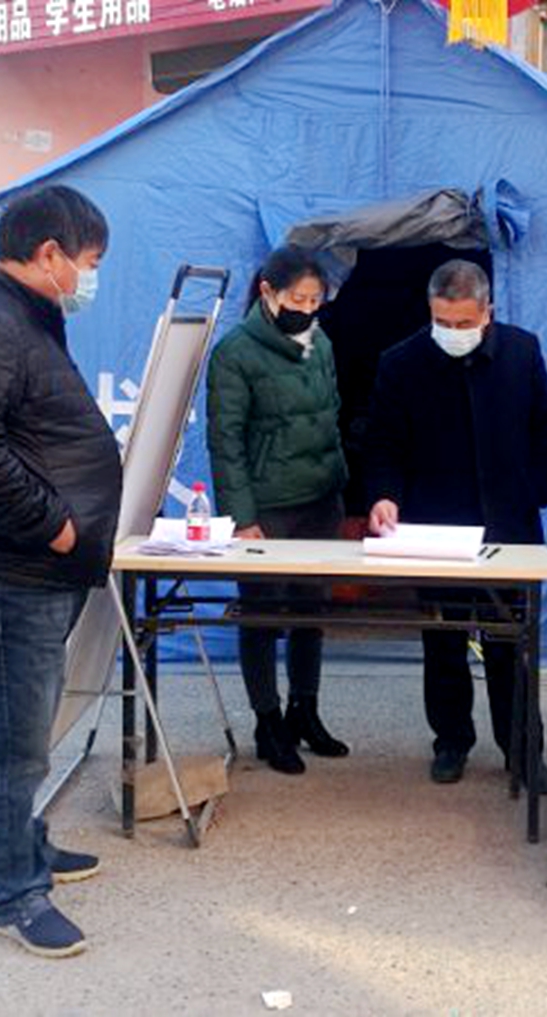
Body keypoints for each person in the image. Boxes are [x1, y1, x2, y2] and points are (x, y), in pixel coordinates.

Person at [0, 185, 120, 959]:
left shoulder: (19, 313)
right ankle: (15, 893)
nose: (89, 277)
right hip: (3, 571)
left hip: (31, 571)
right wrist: (55, 526)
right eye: (89, 262)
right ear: (49, 253)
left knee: (26, 728)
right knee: (6, 742)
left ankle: (27, 845)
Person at [365, 260, 547, 785]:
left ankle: (522, 751)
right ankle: (451, 742)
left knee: (510, 644)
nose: (453, 332)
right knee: (443, 641)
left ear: (487, 312)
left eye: (464, 323)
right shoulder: (401, 362)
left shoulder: (522, 351)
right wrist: (384, 496)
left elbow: (546, 425)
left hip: (509, 523)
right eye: (442, 322)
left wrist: (537, 487)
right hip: (435, 525)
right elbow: (382, 441)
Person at [205, 247, 351, 775]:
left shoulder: (321, 342)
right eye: (298, 299)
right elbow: (225, 442)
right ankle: (267, 722)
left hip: (320, 499)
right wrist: (242, 518)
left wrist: (341, 483)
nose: (307, 309)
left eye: (316, 300)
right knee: (262, 616)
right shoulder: (235, 354)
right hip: (267, 506)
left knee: (312, 612)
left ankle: (304, 710)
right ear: (268, 292)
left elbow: (332, 414)